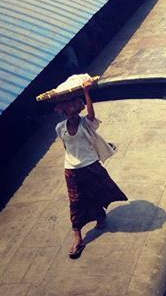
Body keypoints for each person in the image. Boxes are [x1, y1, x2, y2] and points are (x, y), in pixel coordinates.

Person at [55, 78, 127, 259]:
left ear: (79, 110)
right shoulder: (60, 128)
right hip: (71, 170)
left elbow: (92, 115)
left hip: (90, 165)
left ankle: (100, 217)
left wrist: (87, 92)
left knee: (97, 192)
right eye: (68, 110)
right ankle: (78, 238)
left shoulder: (86, 124)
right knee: (75, 202)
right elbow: (67, 147)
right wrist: (72, 161)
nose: (71, 113)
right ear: (64, 112)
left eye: (74, 109)